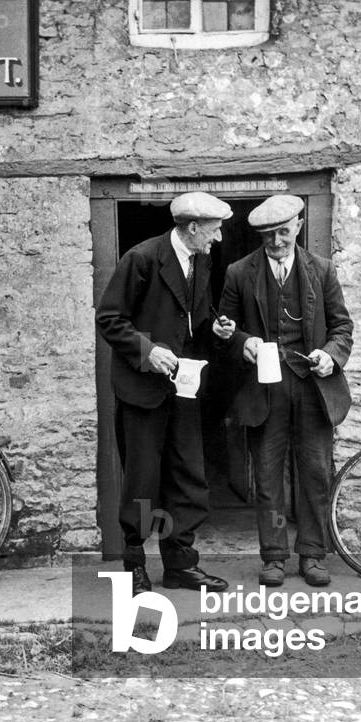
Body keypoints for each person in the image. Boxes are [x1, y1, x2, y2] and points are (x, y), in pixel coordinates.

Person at [96, 191, 235, 595]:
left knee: (188, 476)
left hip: (183, 387)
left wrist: (215, 328)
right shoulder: (141, 259)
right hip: (142, 389)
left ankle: (180, 564)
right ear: (192, 228)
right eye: (214, 230)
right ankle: (134, 566)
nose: (219, 238)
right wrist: (148, 351)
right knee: (142, 479)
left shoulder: (202, 260)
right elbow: (110, 318)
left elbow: (193, 319)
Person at [218, 194, 353, 587]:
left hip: (313, 388)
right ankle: (274, 557)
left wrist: (330, 356)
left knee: (315, 473)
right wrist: (240, 340)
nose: (276, 241)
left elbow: (342, 328)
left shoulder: (322, 270)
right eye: (267, 235)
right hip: (264, 389)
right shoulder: (239, 273)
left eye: (282, 232)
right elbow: (225, 330)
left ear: (298, 226)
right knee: (267, 475)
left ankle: (312, 554)